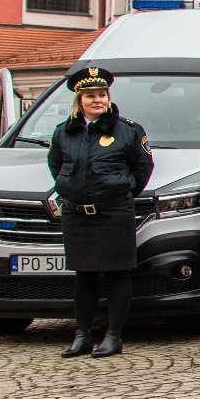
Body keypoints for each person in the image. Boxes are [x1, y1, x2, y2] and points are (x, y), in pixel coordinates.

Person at [48, 66, 154, 359]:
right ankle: (82, 335)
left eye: (102, 95)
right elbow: (56, 165)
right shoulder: (64, 132)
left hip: (114, 211)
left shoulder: (128, 130)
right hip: (78, 214)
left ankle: (113, 335)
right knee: (85, 276)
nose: (97, 100)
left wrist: (123, 188)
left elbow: (143, 167)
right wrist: (68, 186)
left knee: (118, 274)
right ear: (79, 100)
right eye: (90, 96)